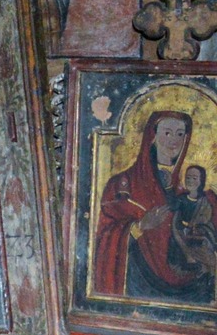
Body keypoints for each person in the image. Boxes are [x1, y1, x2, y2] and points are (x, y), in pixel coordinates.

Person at [93, 111, 217, 304]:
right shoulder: (122, 184)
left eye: (180, 134)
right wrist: (139, 227)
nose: (173, 140)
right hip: (140, 282)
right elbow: (104, 238)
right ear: (153, 136)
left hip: (190, 284)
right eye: (167, 133)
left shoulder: (187, 192)